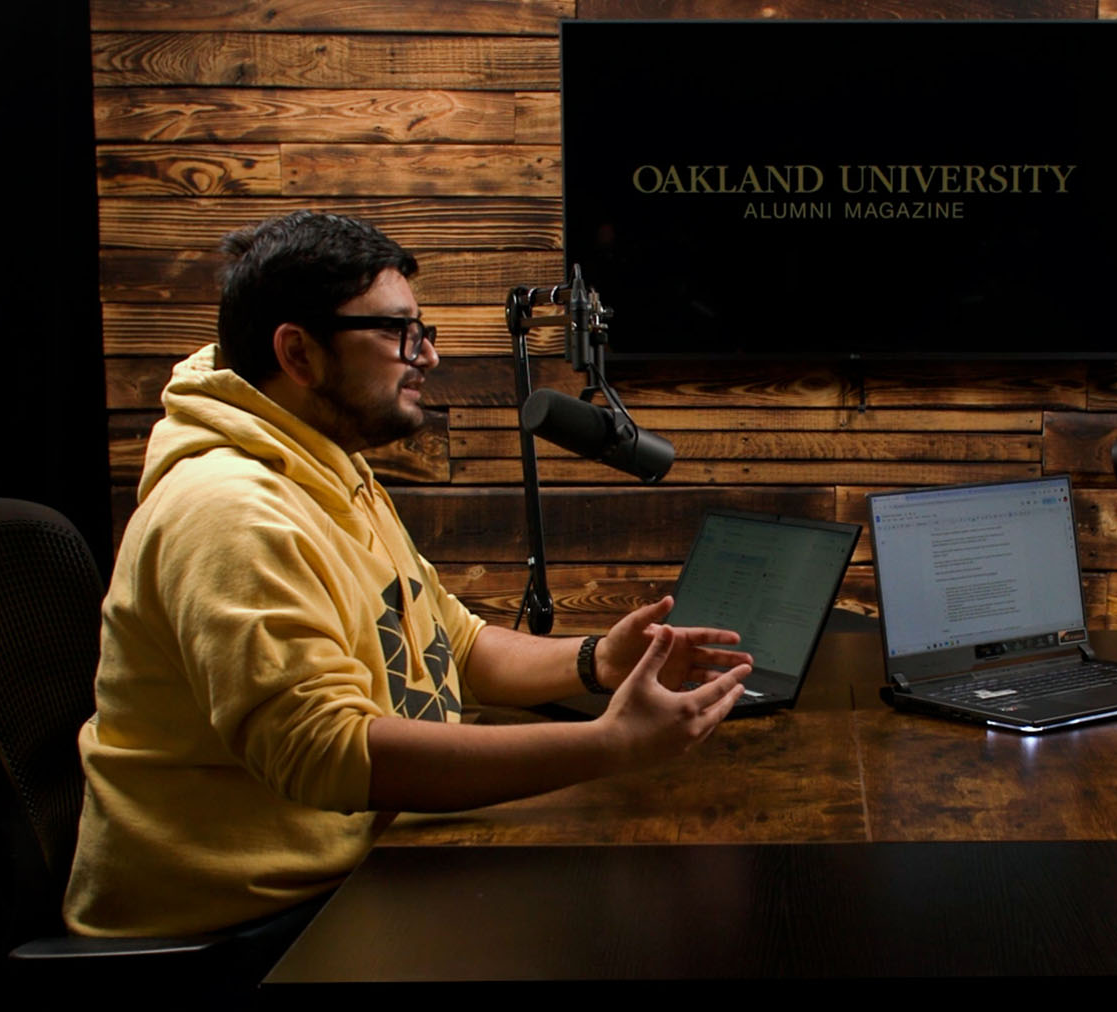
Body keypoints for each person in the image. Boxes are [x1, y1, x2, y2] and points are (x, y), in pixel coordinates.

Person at [64, 211, 752, 939]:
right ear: (298, 352)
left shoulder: (330, 468)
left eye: (422, 332)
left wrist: (595, 661)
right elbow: (326, 752)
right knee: (625, 929)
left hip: (356, 859)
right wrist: (607, 745)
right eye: (397, 333)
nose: (424, 356)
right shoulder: (230, 512)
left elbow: (450, 640)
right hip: (242, 927)